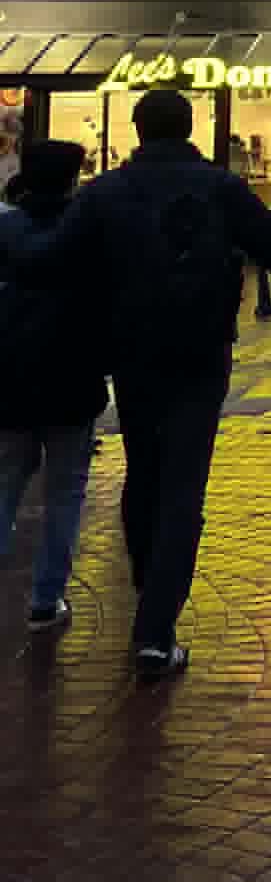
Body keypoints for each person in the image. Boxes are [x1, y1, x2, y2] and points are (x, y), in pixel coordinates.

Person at [21, 88, 271, 682]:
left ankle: (148, 586)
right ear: (189, 128)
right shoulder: (220, 187)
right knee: (184, 484)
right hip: (200, 351)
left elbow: (50, 257)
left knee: (144, 472)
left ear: (138, 130)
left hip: (132, 352)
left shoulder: (106, 191)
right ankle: (156, 630)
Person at [0, 141, 100, 632]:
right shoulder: (87, 233)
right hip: (71, 378)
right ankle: (47, 596)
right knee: (65, 493)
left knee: (5, 482)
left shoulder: (5, 229)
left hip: (10, 377)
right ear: (72, 180)